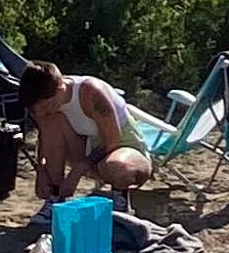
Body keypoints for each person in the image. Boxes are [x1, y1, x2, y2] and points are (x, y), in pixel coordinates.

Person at [17, 58, 150, 207]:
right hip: (86, 148)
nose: (42, 111)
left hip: (122, 146)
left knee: (117, 168)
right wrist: (41, 172)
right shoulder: (44, 109)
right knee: (51, 121)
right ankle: (54, 197)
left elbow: (112, 140)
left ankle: (120, 200)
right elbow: (44, 139)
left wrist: (77, 171)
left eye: (47, 106)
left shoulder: (89, 92)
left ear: (60, 89)